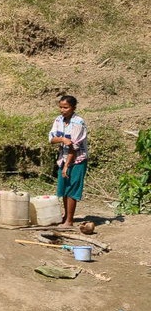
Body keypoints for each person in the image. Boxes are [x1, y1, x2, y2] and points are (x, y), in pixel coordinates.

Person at [49, 94, 89, 227]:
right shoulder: (59, 120)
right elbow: (51, 139)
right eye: (61, 107)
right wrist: (62, 139)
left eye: (65, 107)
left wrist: (67, 165)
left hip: (77, 160)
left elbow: (74, 147)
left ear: (73, 107)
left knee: (72, 189)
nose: (62, 110)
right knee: (64, 188)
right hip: (63, 158)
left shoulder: (78, 122)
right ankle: (66, 216)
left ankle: (69, 221)